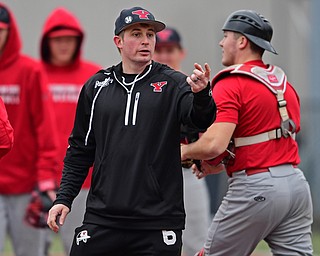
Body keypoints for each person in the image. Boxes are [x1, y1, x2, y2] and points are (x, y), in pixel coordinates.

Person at [47, 6, 216, 256]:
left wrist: (202, 95)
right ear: (119, 41)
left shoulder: (173, 83)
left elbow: (199, 121)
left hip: (157, 221)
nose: (145, 40)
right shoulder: (97, 86)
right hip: (102, 217)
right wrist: (64, 198)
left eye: (150, 34)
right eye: (136, 34)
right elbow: (80, 150)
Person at [181, 9, 313, 256]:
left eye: (226, 36)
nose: (221, 42)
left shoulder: (231, 82)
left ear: (242, 41)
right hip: (296, 185)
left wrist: (182, 151)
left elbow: (214, 145)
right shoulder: (283, 82)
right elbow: (264, 144)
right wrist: (216, 164)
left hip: (256, 187)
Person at [39, 7, 102, 254]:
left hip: (83, 182)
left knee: (77, 247)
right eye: (57, 40)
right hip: (37, 182)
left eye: (69, 39)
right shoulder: (35, 74)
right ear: (47, 42)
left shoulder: (94, 75)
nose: (64, 45)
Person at [0, 3, 59, 256]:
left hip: (26, 187)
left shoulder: (30, 70)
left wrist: (45, 178)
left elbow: (45, 128)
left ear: (9, 32)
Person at [153, 27, 210, 256]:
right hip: (151, 176)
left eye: (170, 50)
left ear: (181, 52)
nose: (165, 55)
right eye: (160, 50)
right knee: (152, 241)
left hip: (187, 172)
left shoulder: (194, 88)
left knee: (198, 240)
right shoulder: (142, 88)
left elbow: (209, 130)